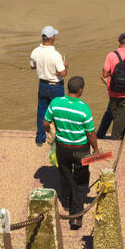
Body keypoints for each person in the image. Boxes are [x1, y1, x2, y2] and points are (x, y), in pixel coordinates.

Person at [42, 76, 99, 230]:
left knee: (64, 174)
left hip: (62, 148)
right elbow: (91, 134)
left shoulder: (55, 103)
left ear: (68, 88)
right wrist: (96, 149)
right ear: (81, 90)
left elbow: (46, 123)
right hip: (80, 150)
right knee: (80, 181)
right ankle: (76, 216)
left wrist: (53, 132)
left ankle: (66, 203)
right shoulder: (84, 108)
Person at [97, 32, 125, 140]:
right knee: (121, 115)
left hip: (112, 90)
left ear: (118, 43)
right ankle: (116, 137)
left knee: (111, 110)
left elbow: (104, 75)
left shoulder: (111, 55)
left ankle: (100, 135)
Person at [30, 26, 67, 146]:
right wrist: (65, 65)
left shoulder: (35, 51)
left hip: (42, 84)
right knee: (58, 112)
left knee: (41, 110)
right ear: (52, 38)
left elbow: (32, 66)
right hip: (55, 86)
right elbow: (63, 73)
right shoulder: (56, 55)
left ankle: (40, 138)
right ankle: (59, 138)